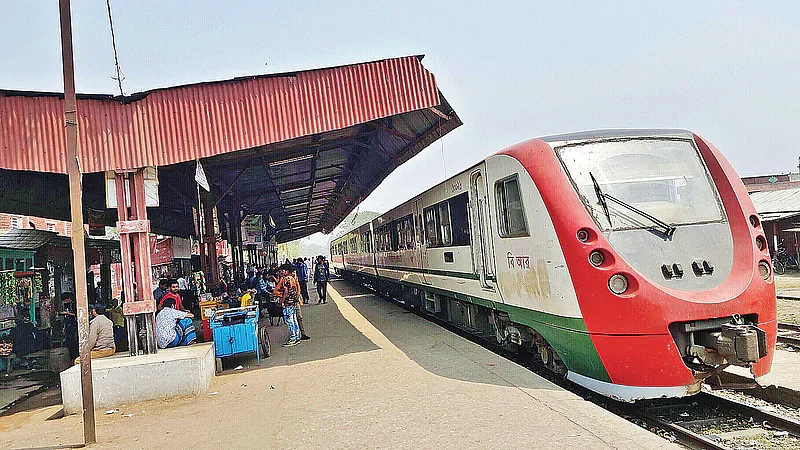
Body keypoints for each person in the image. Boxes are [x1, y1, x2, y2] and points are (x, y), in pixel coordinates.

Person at [274, 265, 302, 346]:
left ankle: (293, 339)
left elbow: (286, 292)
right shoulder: (292, 278)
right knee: (294, 320)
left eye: (282, 270)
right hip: (293, 302)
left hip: (288, 303)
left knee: (289, 321)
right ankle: (297, 336)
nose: (281, 272)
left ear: (286, 271)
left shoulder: (286, 279)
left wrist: (282, 301)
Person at [60, 292, 79, 360]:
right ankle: (72, 356)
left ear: (68, 299)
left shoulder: (73, 304)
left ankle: (75, 356)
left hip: (73, 325)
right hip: (68, 325)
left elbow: (76, 314)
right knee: (69, 342)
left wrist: (67, 313)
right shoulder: (66, 305)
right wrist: (64, 327)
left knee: (73, 341)